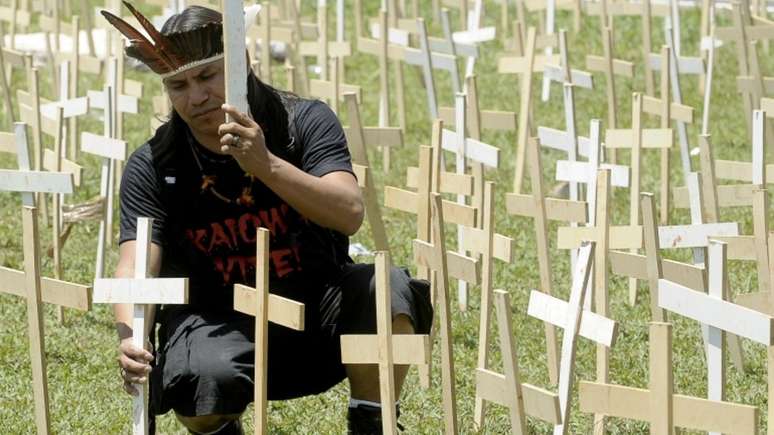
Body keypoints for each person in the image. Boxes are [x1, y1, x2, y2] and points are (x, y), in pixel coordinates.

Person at [103, 3, 433, 434]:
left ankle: (370, 419)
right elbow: (135, 262)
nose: (196, 97)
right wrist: (131, 334)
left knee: (386, 291)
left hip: (316, 313)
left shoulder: (301, 121)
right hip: (217, 322)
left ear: (242, 64)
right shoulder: (153, 162)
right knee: (196, 375)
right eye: (178, 85)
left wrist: (266, 165)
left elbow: (349, 213)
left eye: (207, 76)